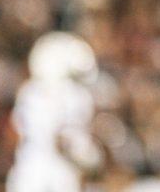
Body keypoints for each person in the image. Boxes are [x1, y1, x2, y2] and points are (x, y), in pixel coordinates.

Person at [7, 32, 103, 192]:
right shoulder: (73, 95)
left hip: (27, 173)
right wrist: (90, 156)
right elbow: (64, 142)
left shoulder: (29, 92)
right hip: (56, 176)